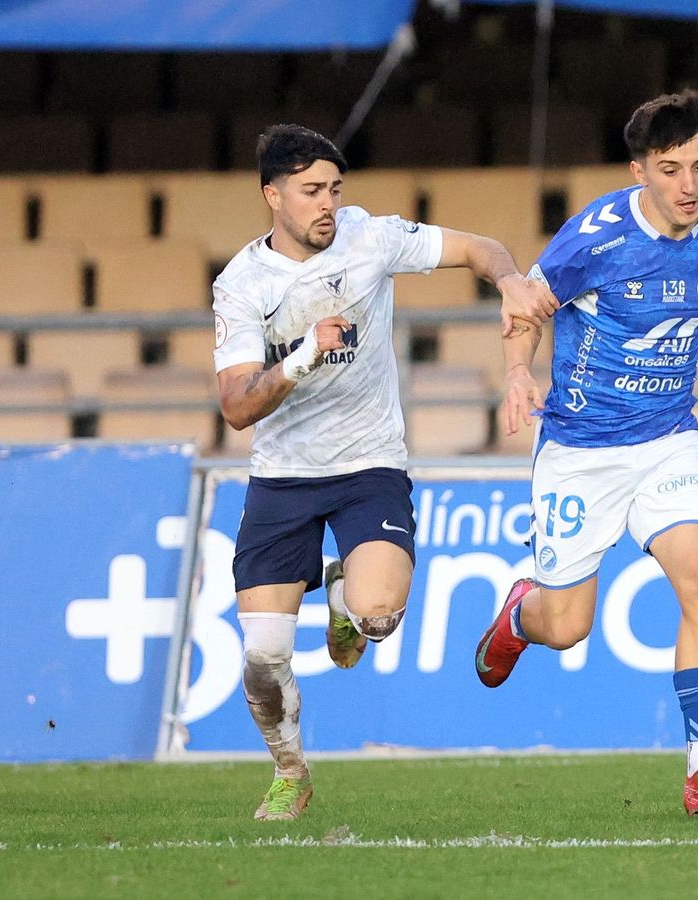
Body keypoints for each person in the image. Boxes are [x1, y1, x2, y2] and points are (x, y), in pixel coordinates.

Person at [474, 91, 698, 816]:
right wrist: (517, 373)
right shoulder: (593, 239)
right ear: (639, 171)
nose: (689, 185)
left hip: (667, 442)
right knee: (567, 627)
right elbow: (525, 308)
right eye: (670, 169)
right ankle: (519, 615)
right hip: (581, 449)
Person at [213, 124, 555, 821]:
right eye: (311, 191)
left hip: (368, 465)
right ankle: (291, 772)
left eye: (334, 189)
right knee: (264, 658)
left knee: (377, 617)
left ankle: (345, 597)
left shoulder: (371, 237)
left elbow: (480, 247)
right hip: (282, 476)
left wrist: (509, 280)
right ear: (271, 194)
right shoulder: (242, 283)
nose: (327, 204)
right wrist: (302, 356)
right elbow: (237, 407)